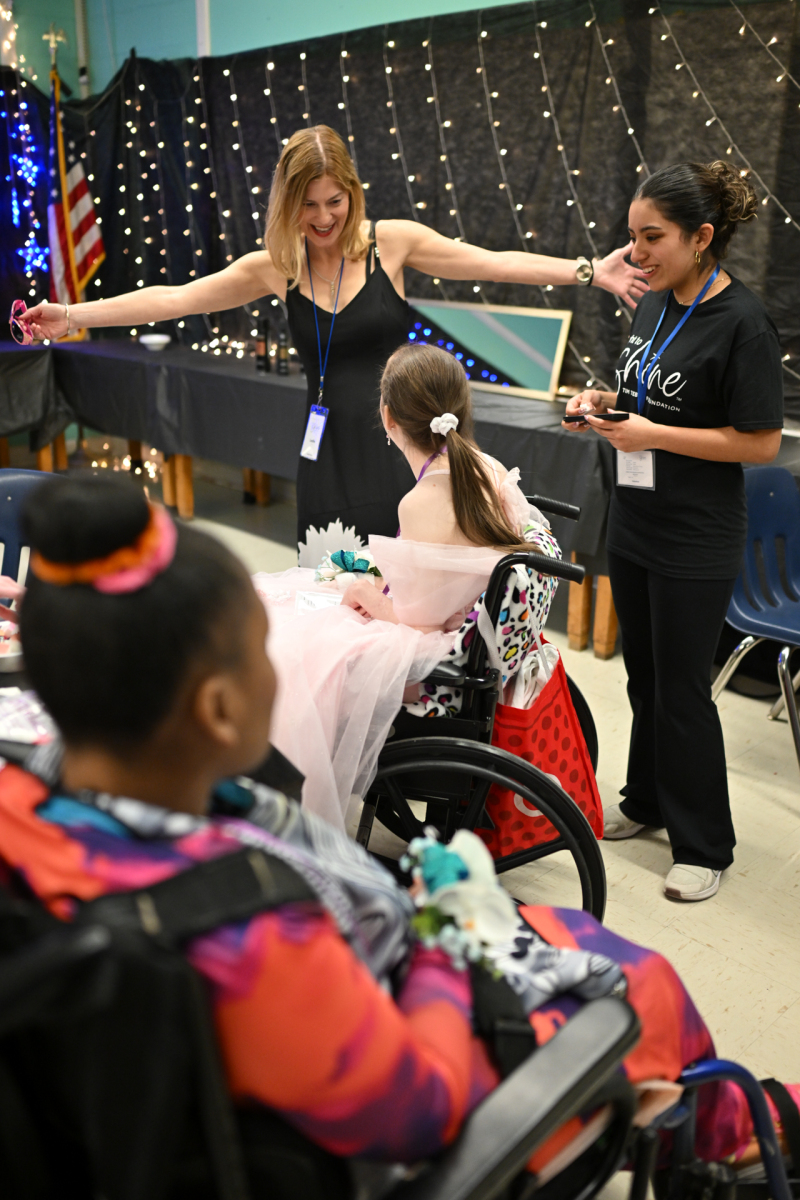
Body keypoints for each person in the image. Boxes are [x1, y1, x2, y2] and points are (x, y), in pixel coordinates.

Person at [1, 472, 798, 1183]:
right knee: (641, 983)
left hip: (314, 1007)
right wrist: (449, 936)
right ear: (216, 708)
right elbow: (419, 1109)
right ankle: (735, 1134)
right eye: (260, 651)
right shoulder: (254, 936)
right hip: (408, 1062)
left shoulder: (23, 806)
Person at [17, 125, 648, 546]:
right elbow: (174, 298)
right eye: (308, 204)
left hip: (405, 446)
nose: (323, 218)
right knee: (335, 587)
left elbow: (493, 263)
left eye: (335, 201)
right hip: (327, 454)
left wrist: (590, 272)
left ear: (353, 192)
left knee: (408, 597)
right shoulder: (277, 266)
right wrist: (71, 315)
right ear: (288, 202)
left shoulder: (391, 244)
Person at [563, 161, 783, 902]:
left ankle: (703, 845)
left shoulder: (744, 322)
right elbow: (645, 394)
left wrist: (653, 436)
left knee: (683, 692)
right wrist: (603, 402)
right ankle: (648, 800)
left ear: (701, 237)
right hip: (637, 522)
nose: (638, 252)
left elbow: (761, 443)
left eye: (652, 237)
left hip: (696, 537)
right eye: (633, 236)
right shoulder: (654, 303)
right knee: (645, 678)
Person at [253, 342, 560, 828]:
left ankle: (283, 797)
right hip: (467, 628)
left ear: (388, 417)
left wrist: (365, 594)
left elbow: (416, 623)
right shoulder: (486, 466)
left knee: (287, 639)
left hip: (431, 656)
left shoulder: (422, 500)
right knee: (302, 599)